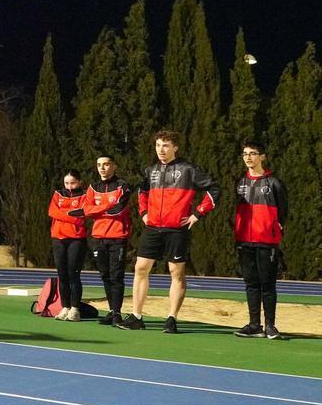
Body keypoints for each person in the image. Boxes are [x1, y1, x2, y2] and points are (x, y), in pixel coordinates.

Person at [117, 130, 220, 334]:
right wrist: (144, 213)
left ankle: (171, 318)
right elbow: (142, 192)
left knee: (176, 272)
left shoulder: (188, 169)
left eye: (165, 145)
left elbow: (214, 189)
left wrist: (198, 214)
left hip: (177, 229)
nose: (161, 150)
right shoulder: (151, 170)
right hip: (153, 227)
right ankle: (137, 316)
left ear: (175, 147)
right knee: (140, 268)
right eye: (157, 145)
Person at [232, 141, 290, 340]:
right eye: (245, 153)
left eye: (253, 153)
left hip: (266, 241)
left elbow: (283, 211)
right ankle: (254, 325)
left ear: (262, 156)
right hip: (244, 241)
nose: (248, 157)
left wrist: (274, 229)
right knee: (251, 283)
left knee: (268, 284)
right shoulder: (240, 182)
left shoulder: (274, 183)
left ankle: (271, 326)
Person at [75, 155, 132, 326]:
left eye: (106, 164)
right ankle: (111, 311)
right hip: (99, 237)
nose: (102, 168)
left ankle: (117, 313)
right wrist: (104, 208)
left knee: (116, 276)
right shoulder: (93, 186)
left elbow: (118, 210)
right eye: (99, 165)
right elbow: (86, 209)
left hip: (117, 237)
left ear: (114, 166)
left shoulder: (123, 186)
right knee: (105, 276)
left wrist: (97, 210)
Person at [48, 170, 89, 321]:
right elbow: (52, 211)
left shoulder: (85, 196)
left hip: (76, 239)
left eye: (73, 183)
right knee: (62, 274)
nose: (70, 186)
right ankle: (65, 307)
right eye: (67, 183)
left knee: (73, 274)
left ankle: (75, 309)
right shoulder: (58, 194)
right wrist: (69, 214)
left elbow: (80, 217)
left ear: (79, 182)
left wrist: (63, 213)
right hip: (58, 238)